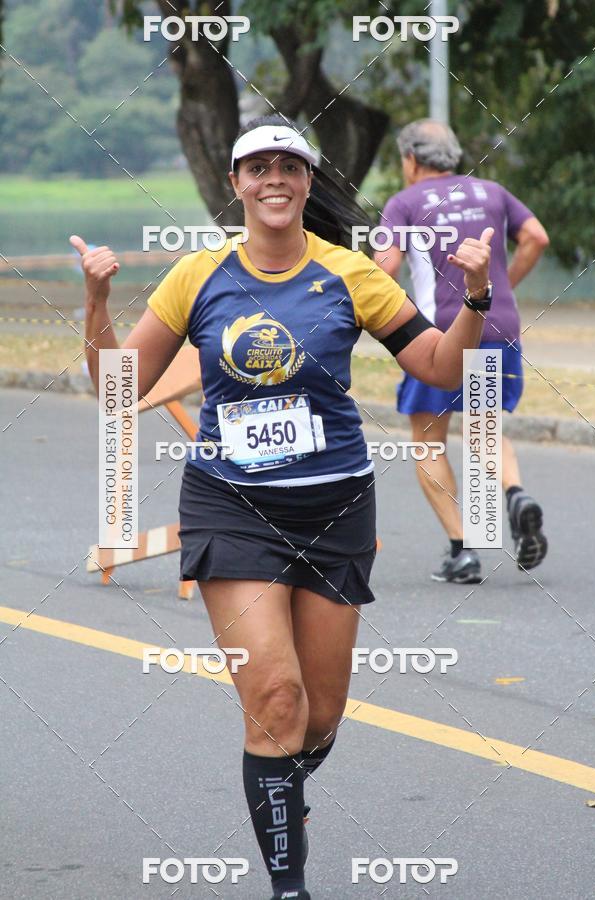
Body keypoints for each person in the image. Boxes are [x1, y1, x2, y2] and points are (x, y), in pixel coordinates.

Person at [71, 114, 493, 900]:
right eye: (257, 167)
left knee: (319, 719)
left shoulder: (350, 273)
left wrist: (475, 296)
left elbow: (436, 362)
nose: (274, 179)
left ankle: (282, 792)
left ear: (305, 184)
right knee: (276, 699)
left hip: (336, 511)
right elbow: (117, 387)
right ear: (235, 185)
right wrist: (96, 301)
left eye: (288, 168)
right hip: (232, 508)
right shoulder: (197, 277)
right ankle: (288, 886)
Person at [375, 118, 550, 584]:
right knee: (483, 427)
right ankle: (514, 493)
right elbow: (537, 237)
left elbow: (385, 267)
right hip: (496, 325)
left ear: (411, 160)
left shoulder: (403, 203)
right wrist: (502, 286)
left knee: (429, 441)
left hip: (437, 338)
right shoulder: (491, 191)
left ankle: (463, 551)